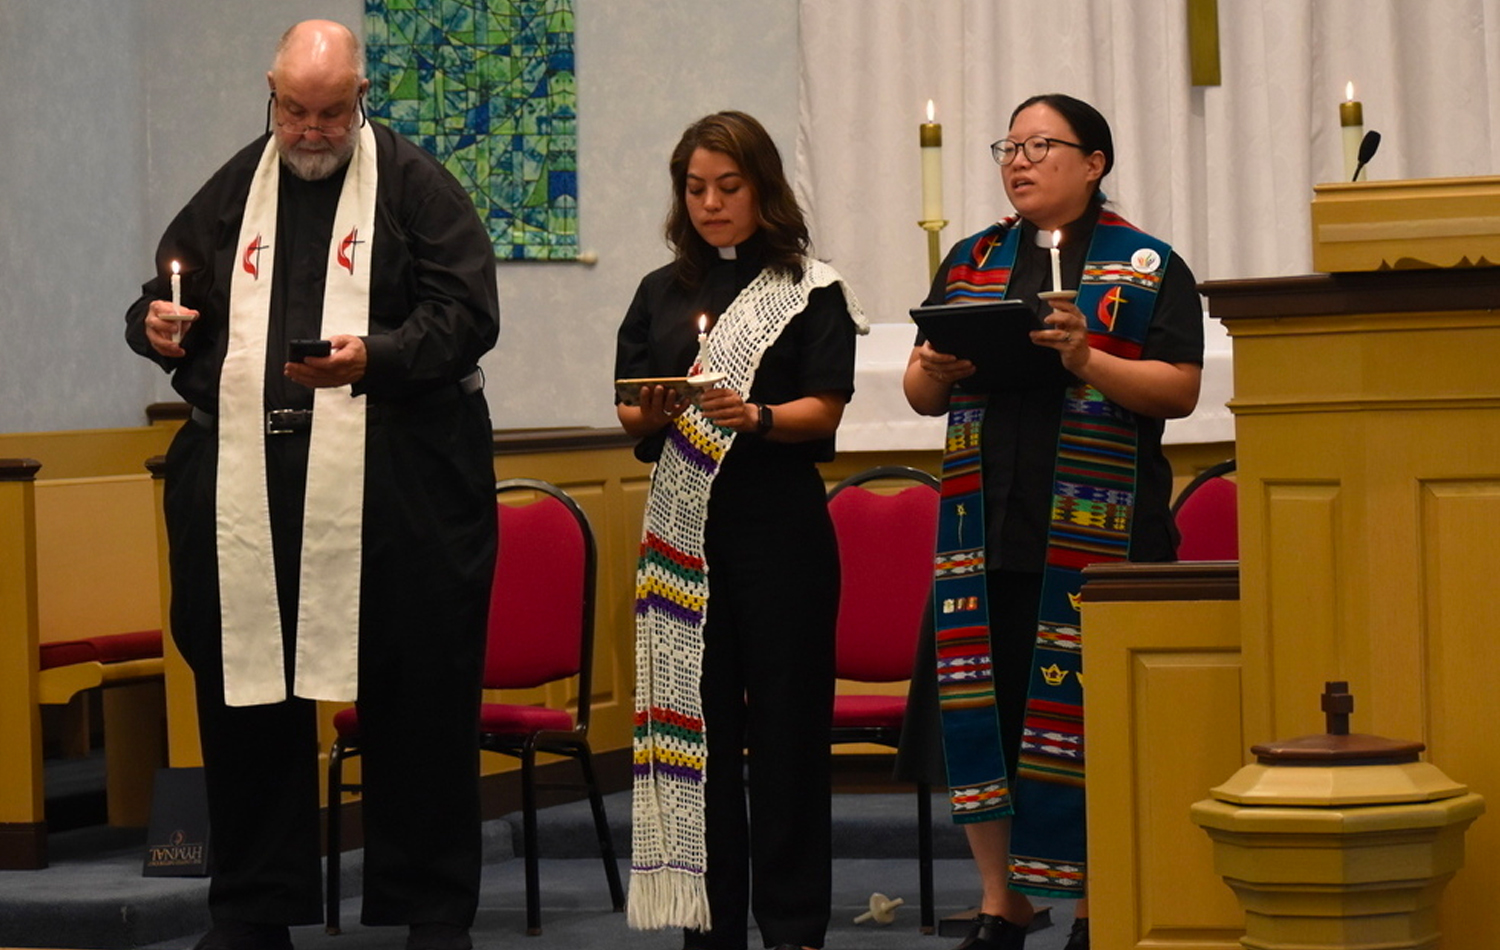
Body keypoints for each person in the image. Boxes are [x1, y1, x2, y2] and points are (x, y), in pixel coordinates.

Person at [124, 21, 499, 950]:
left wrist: (375, 354)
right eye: (295, 109)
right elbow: (163, 298)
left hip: (396, 487)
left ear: (361, 96)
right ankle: (254, 905)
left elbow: (468, 317)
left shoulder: (415, 188)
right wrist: (154, 325)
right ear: (273, 92)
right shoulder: (231, 193)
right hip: (251, 487)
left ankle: (432, 908)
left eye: (333, 111)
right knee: (247, 693)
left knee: (418, 695)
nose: (313, 129)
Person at [900, 94, 1204, 950]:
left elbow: (1179, 390)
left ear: (1094, 163)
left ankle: (1098, 903)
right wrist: (938, 366)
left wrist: (1087, 358)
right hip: (986, 529)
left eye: (1041, 145)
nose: (1019, 160)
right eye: (1010, 146)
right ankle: (1004, 899)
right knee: (986, 714)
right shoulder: (971, 259)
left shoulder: (1146, 264)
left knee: (1095, 723)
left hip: (1104, 536)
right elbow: (922, 397)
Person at [615, 111, 866, 950]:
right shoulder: (660, 290)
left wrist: (754, 413)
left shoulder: (811, 287)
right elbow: (626, 405)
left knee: (789, 735)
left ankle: (793, 925)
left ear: (763, 188)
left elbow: (824, 407)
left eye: (729, 187)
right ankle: (708, 929)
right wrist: (649, 408)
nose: (711, 204)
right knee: (700, 735)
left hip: (780, 535)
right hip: (685, 537)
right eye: (696, 190)